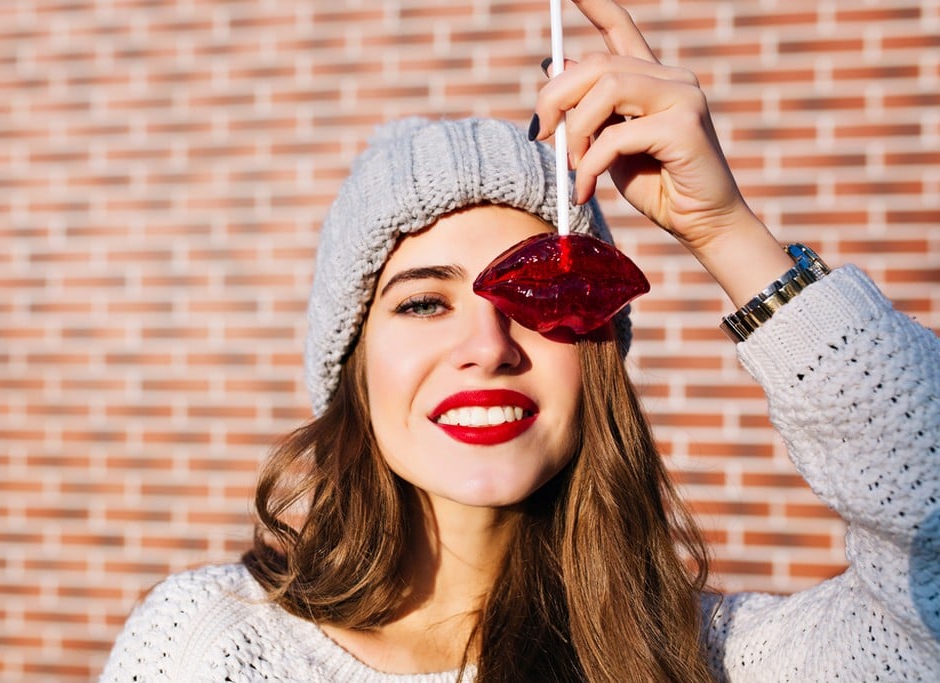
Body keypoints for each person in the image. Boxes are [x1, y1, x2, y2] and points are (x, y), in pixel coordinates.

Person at [99, 0, 939, 680]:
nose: (488, 344)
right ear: (353, 367)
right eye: (423, 304)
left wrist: (726, 233)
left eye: (537, 294)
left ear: (599, 353)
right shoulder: (206, 646)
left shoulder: (715, 660)